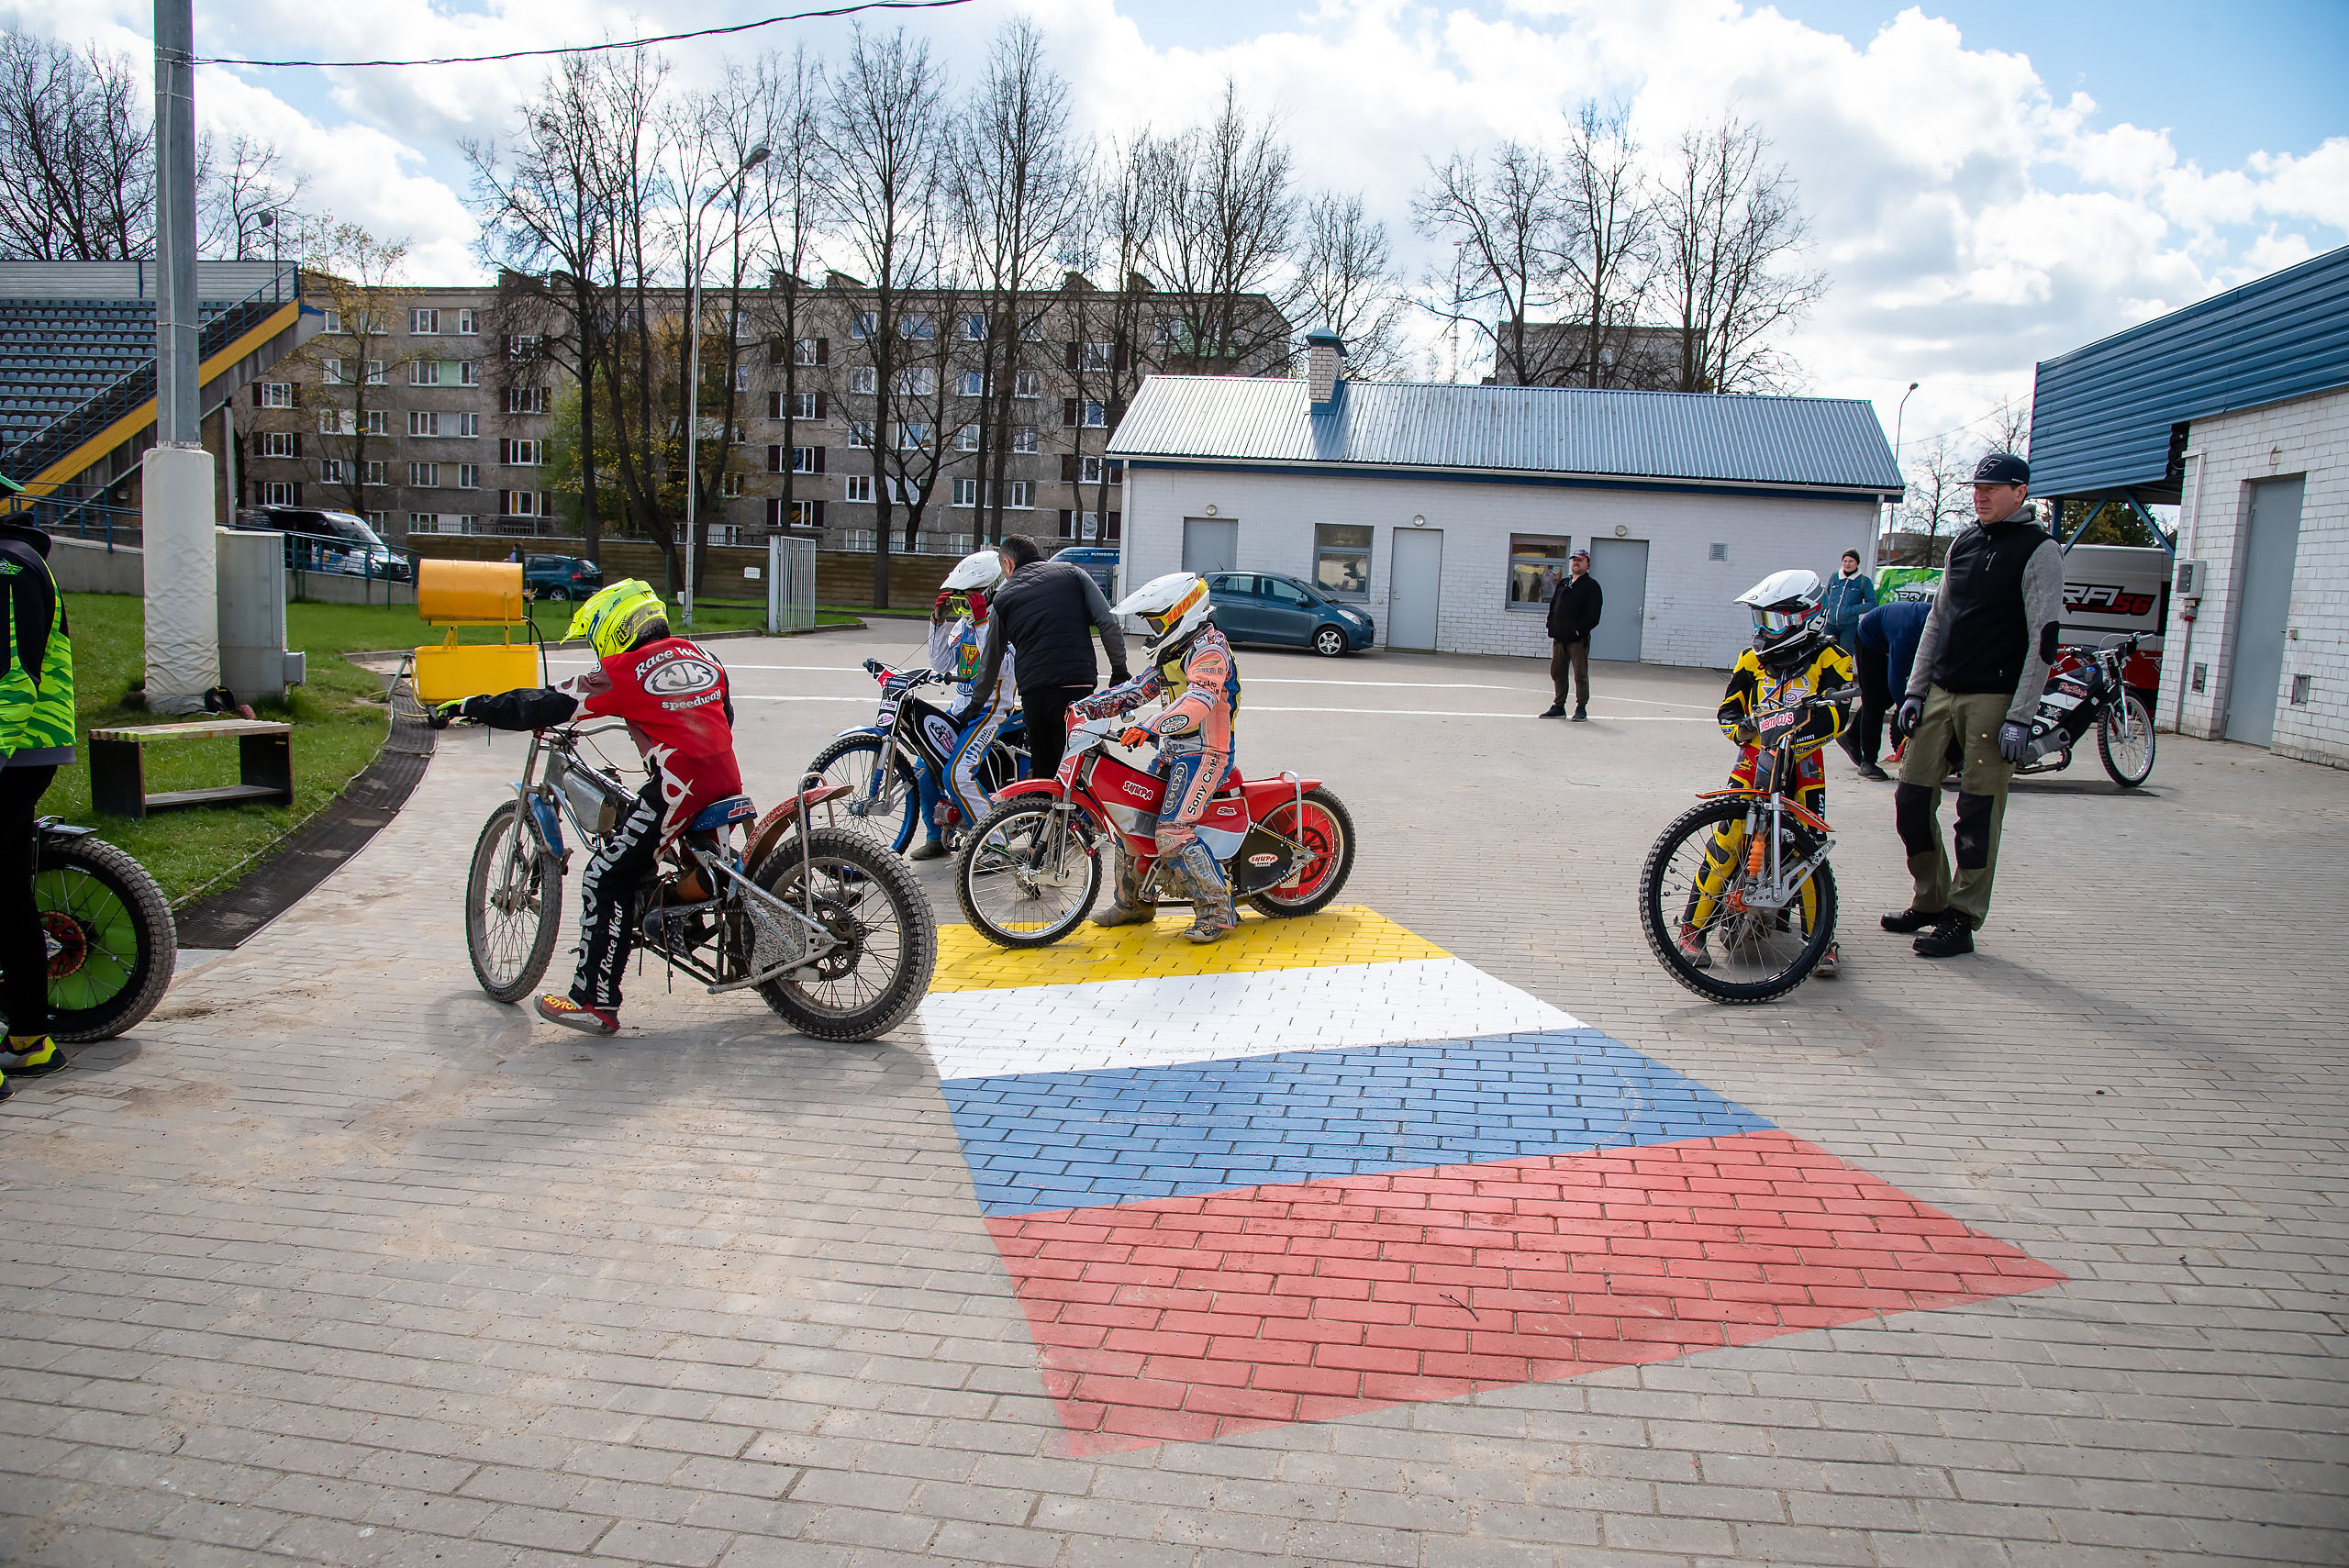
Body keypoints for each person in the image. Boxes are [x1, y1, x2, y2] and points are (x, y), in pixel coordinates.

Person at [434, 580, 740, 1035]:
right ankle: (688, 916)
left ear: (614, 628)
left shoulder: (622, 671)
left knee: (604, 874)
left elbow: (541, 704)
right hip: (725, 778)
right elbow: (725, 716)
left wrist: (473, 706)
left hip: (679, 787)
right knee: (710, 867)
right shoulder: (703, 657)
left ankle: (593, 1003)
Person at [1887, 452, 2065, 960]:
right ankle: (1931, 898)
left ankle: (1962, 918)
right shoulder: (1963, 543)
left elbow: (2044, 639)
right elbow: (1937, 621)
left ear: (2020, 492)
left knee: (1977, 812)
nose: (1980, 495)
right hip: (1941, 689)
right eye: (1976, 487)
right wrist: (1915, 692)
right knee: (1912, 802)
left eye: (1993, 487)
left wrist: (2021, 715)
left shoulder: (2040, 550)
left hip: (1995, 697)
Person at [1677, 569, 1854, 978]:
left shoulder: (1833, 658)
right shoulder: (1751, 658)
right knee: (1726, 837)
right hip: (1754, 760)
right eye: (1760, 620)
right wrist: (1742, 729)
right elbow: (1729, 710)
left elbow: (1837, 716)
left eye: (1774, 620)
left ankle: (1820, 937)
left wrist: (1798, 731)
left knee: (1810, 847)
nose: (1765, 630)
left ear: (1807, 616)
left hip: (1804, 764)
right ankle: (1691, 927)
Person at [1071, 573, 1241, 943]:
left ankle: (1217, 909)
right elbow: (1135, 690)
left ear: (1182, 612)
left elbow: (1199, 700)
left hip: (1206, 753)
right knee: (1127, 821)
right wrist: (1080, 708)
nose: (1154, 627)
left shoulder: (1209, 650)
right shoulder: (1175, 651)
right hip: (1171, 752)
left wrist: (1150, 726)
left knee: (1171, 832)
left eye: (1157, 619)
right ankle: (1133, 904)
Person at [0, 476, 76, 1100]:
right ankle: (28, 1036)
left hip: (14, 750)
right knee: (6, 896)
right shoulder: (21, 561)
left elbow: (11, 677)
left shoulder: (7, 567)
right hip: (25, 752)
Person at [968, 534, 1129, 780]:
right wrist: (1119, 670)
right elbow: (1108, 621)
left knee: (1045, 770)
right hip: (1079, 684)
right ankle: (1089, 814)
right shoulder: (1073, 574)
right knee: (1082, 762)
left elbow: (992, 658)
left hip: (1036, 691)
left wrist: (977, 703)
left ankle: (1045, 815)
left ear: (1008, 564)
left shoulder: (1003, 598)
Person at [908, 550, 1017, 862]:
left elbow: (1000, 666)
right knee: (924, 771)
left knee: (957, 775)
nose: (963, 606)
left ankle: (996, 845)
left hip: (991, 711)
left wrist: (983, 621)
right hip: (961, 710)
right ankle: (936, 837)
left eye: (967, 598)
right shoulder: (965, 624)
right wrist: (938, 621)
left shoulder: (1002, 620)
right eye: (959, 600)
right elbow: (941, 661)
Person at [1842, 598, 1931, 782]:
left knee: (1884, 698)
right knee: (1874, 701)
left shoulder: (1941, 622)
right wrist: (1907, 710)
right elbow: (1896, 679)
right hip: (1870, 639)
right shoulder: (1908, 633)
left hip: (1888, 632)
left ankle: (1850, 738)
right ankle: (1868, 762)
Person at [1542, 549, 1602, 720]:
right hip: (1559, 636)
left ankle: (1581, 708)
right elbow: (1554, 606)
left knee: (1580, 674)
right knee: (1558, 672)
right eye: (1574, 560)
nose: (1576, 563)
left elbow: (1593, 615)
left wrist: (1579, 630)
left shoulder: (1591, 586)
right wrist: (1551, 624)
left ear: (1587, 564)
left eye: (1580, 560)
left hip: (1577, 640)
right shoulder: (1564, 583)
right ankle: (1559, 706)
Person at [1822, 550, 1877, 650]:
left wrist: (1852, 610)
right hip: (1830, 625)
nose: (1847, 564)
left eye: (1851, 561)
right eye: (1845, 561)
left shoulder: (1864, 581)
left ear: (1857, 563)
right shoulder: (1834, 577)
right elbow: (1827, 596)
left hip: (1849, 626)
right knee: (1828, 653)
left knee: (1845, 655)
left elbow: (1872, 603)